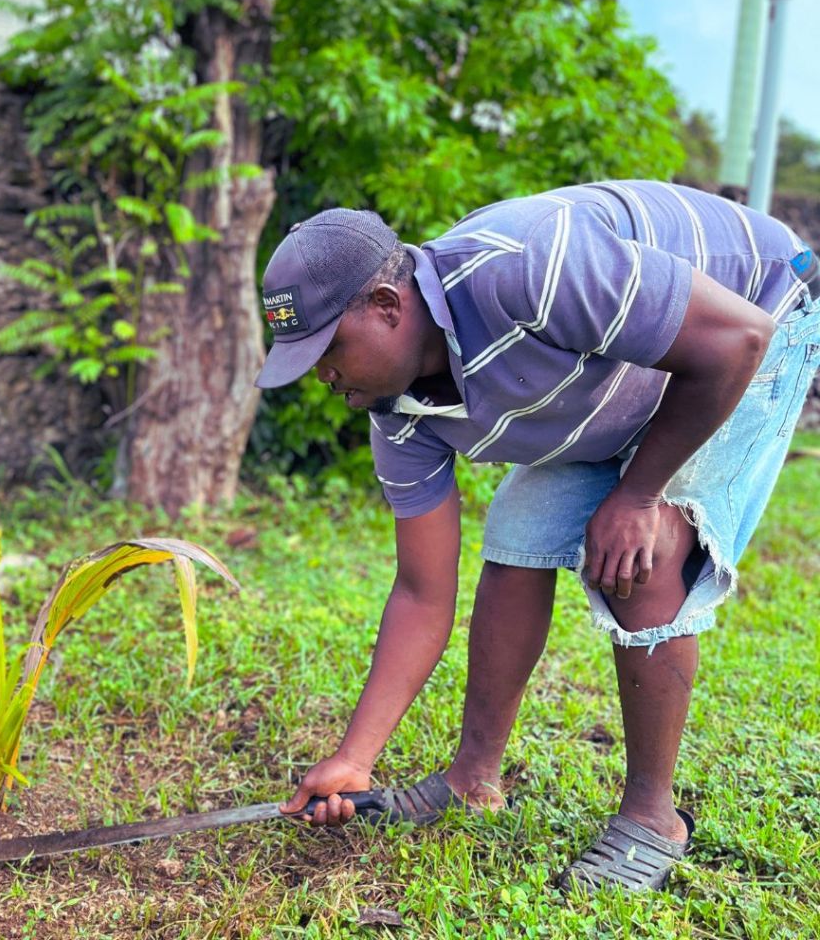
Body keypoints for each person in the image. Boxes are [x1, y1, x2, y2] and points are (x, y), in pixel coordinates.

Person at [254, 181, 820, 892]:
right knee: (518, 532)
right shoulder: (396, 411)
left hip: (762, 312)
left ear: (388, 306)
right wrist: (355, 758)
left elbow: (735, 339)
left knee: (644, 548)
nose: (324, 377)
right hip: (652, 363)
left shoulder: (523, 267)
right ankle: (471, 780)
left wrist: (640, 494)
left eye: (328, 350)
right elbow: (423, 591)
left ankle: (653, 819)